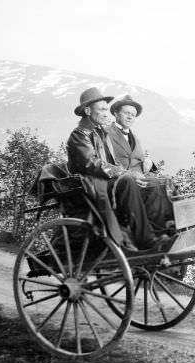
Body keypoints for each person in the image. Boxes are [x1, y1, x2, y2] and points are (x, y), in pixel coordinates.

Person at [67, 87, 168, 251]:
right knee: (128, 181)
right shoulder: (80, 134)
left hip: (105, 179)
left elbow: (111, 162)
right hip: (91, 183)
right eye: (101, 109)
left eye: (106, 109)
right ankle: (146, 241)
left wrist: (134, 172)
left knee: (150, 184)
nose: (106, 113)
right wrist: (125, 173)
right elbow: (91, 163)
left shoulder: (100, 133)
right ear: (87, 111)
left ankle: (158, 233)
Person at [107, 95, 174, 234]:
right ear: (115, 113)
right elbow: (105, 162)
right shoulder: (106, 134)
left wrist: (148, 161)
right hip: (121, 181)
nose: (130, 117)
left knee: (166, 181)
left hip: (139, 176)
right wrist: (130, 174)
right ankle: (155, 231)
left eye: (133, 115)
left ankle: (170, 225)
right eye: (127, 113)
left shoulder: (135, 137)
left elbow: (138, 158)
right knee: (153, 185)